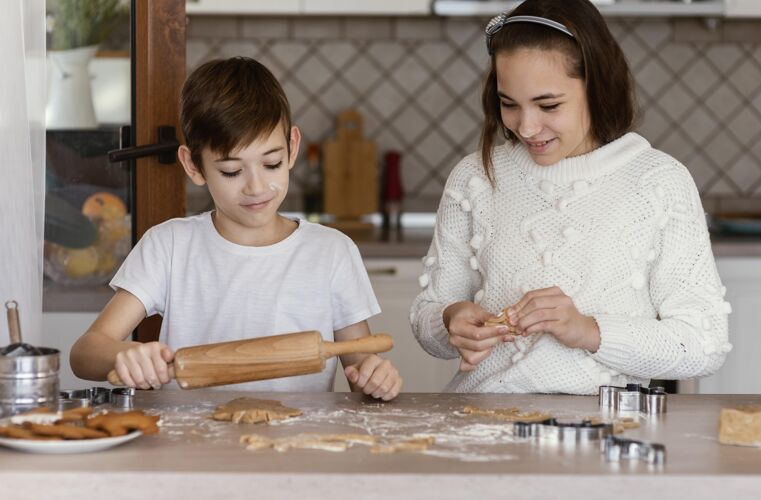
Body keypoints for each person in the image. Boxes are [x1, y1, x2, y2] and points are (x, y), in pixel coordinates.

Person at [410, 0, 731, 394]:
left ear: (597, 86)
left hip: (606, 432)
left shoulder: (659, 182)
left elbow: (704, 344)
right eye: (508, 104)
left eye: (549, 105)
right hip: (480, 424)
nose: (526, 127)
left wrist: (587, 331)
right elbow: (427, 319)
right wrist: (451, 319)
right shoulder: (475, 177)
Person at [71, 57, 402, 400]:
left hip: (299, 446)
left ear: (292, 147)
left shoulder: (331, 252)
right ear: (193, 165)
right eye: (231, 171)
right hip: (190, 446)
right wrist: (125, 355)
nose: (256, 187)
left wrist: (374, 377)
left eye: (271, 163)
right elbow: (85, 353)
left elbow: (360, 364)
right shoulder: (169, 246)